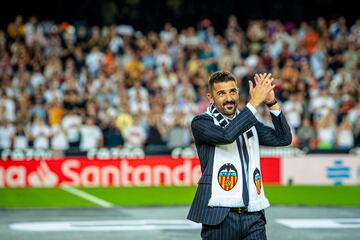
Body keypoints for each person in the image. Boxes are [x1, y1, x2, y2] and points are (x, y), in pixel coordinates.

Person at [187, 71, 292, 239]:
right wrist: (254, 102)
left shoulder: (249, 123)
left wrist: (271, 102)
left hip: (253, 214)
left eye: (232, 91)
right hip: (220, 216)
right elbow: (226, 136)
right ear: (210, 97)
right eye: (221, 93)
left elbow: (283, 139)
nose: (229, 98)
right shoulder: (201, 122)